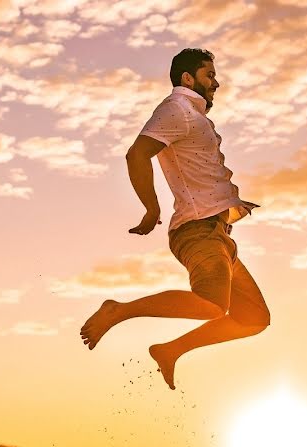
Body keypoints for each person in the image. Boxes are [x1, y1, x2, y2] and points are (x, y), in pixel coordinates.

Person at [80, 48, 270, 389]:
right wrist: (151, 208)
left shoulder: (193, 115)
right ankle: (118, 310)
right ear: (187, 78)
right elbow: (137, 153)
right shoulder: (177, 109)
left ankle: (171, 350)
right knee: (213, 305)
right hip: (198, 231)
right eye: (209, 75)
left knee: (254, 318)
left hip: (219, 236)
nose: (216, 82)